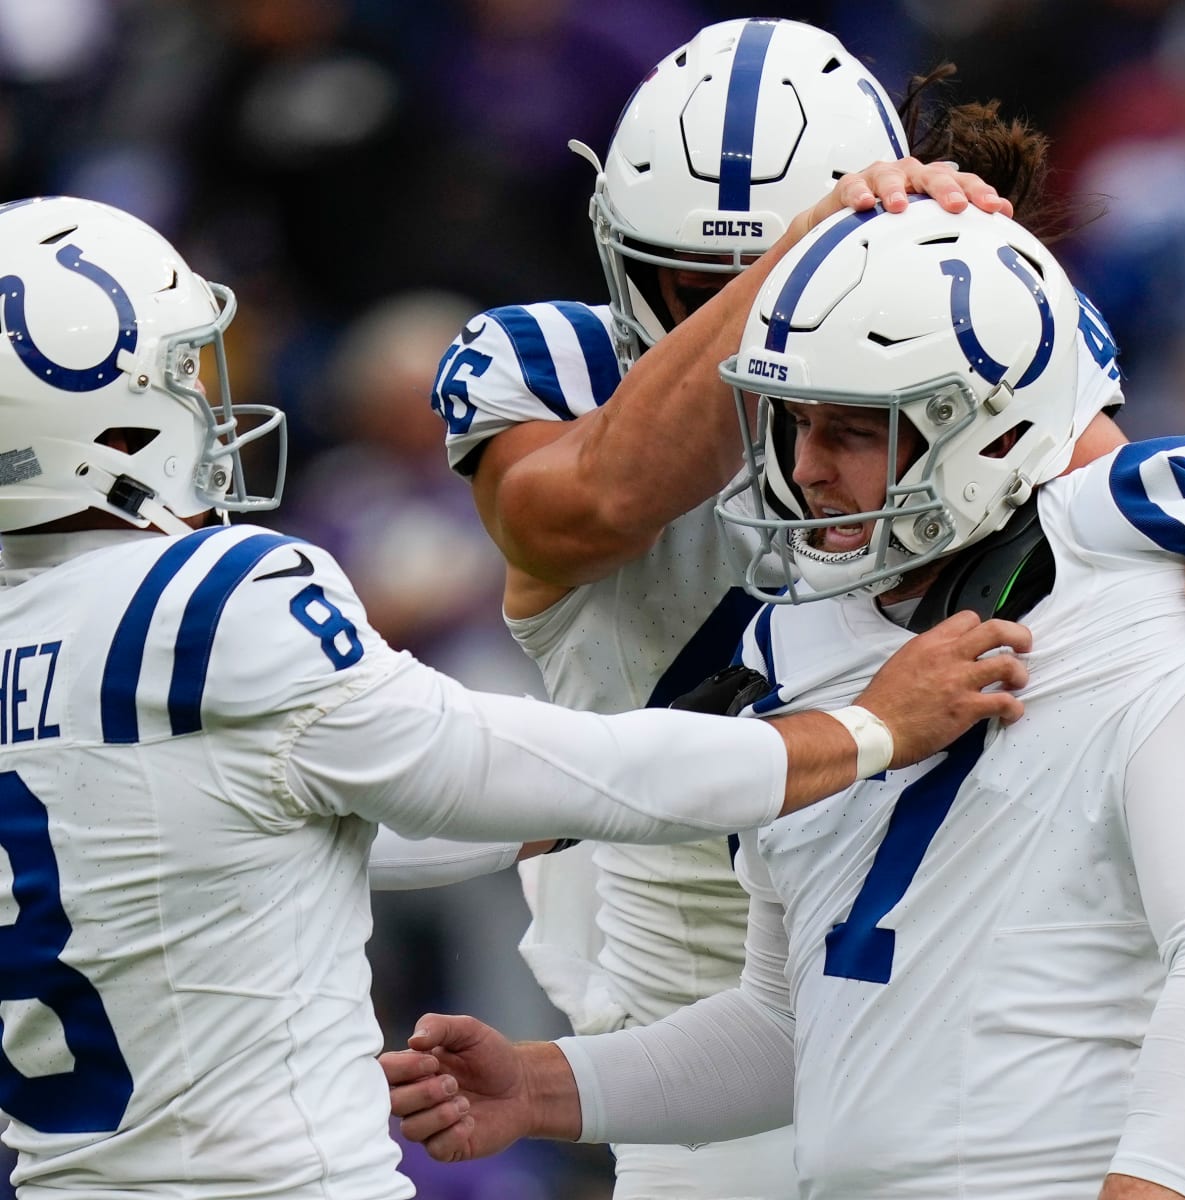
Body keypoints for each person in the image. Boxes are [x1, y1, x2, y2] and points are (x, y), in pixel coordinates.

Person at [0, 195, 1031, 1200]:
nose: (206, 396)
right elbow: (480, 767)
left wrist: (545, 833)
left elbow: (264, 826)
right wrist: (864, 728)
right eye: (183, 370)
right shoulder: (209, 598)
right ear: (116, 420)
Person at [428, 16, 1132, 1199]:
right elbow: (580, 512)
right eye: (697, 286)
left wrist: (1180, 503)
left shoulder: (971, 333)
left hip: (967, 984)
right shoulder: (549, 367)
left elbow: (1102, 497)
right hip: (693, 998)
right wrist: (807, 257)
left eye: (762, 281)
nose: (749, 317)